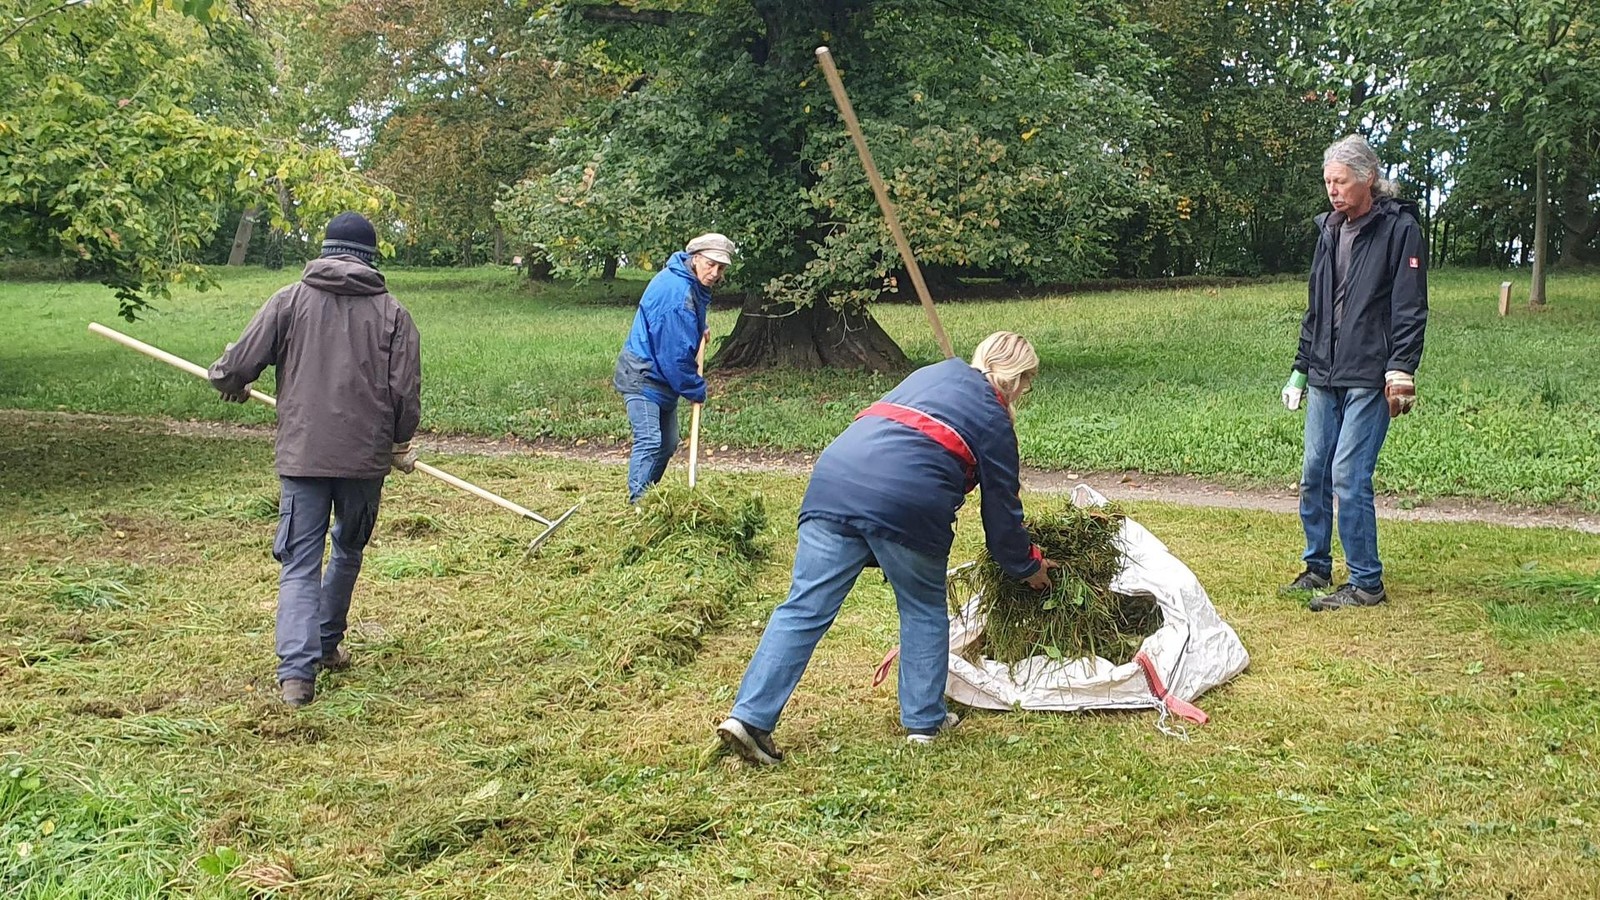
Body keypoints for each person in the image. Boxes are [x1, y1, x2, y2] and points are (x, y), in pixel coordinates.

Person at [717, 332, 1057, 765]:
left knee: (803, 608)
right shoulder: (994, 418)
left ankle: (749, 718)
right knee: (922, 610)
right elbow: (1002, 515)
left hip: (834, 483)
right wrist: (1027, 566)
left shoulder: (932, 373)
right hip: (906, 501)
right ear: (1017, 378)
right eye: (1028, 384)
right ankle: (924, 722)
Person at [208, 211, 422, 707]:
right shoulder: (394, 313)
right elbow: (404, 393)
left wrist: (232, 382)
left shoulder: (289, 300)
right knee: (347, 548)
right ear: (370, 258)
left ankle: (297, 677)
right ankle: (325, 645)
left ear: (325, 250)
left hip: (303, 455)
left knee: (300, 562)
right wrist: (398, 443)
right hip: (365, 462)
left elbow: (237, 364)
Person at [1280, 134, 1427, 612]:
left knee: (1348, 473)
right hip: (1324, 373)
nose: (1333, 190)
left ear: (1367, 178)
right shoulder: (1328, 230)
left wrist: (1401, 368)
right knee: (1313, 472)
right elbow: (1316, 308)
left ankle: (1366, 583)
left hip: (1369, 374)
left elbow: (1409, 307)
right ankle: (1317, 567)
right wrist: (1300, 369)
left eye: (1340, 181)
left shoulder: (1400, 229)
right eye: (1328, 182)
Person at [612, 233, 734, 503]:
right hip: (643, 375)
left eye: (721, 267)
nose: (714, 273)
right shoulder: (677, 293)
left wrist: (698, 327)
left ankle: (650, 496)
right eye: (710, 264)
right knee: (650, 441)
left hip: (661, 377)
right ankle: (639, 504)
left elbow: (680, 323)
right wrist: (695, 388)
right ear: (695, 259)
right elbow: (674, 356)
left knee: (668, 444)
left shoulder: (687, 281)